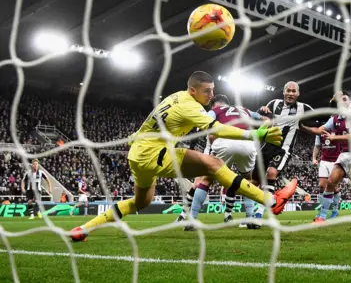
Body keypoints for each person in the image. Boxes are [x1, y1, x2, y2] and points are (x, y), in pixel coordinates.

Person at [70, 71, 297, 242]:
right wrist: (254, 133)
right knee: (213, 164)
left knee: (142, 202)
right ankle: (271, 201)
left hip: (138, 154)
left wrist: (134, 137)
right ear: (193, 91)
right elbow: (216, 129)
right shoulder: (189, 106)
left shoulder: (174, 97)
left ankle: (84, 229)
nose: (211, 95)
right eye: (206, 91)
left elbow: (151, 122)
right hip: (155, 153)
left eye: (212, 90)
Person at [175, 94, 266, 229]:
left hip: (224, 142)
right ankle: (250, 218)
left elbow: (205, 124)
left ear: (214, 105)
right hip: (247, 143)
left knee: (206, 180)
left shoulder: (216, 111)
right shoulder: (244, 109)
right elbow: (263, 119)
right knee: (247, 181)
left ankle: (192, 219)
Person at [308, 91, 351, 224]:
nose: (342, 101)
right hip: (345, 154)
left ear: (349, 102)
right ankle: (322, 217)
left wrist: (334, 137)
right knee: (331, 182)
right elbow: (319, 130)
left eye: (345, 99)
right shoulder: (335, 119)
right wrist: (302, 126)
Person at [254, 81, 315, 220]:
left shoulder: (303, 108)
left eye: (294, 91)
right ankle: (251, 214)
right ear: (284, 92)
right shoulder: (274, 103)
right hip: (267, 146)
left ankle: (258, 214)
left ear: (298, 93)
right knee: (255, 181)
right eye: (288, 90)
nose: (291, 93)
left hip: (283, 149)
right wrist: (261, 110)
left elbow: (320, 117)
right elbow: (260, 116)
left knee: (271, 172)